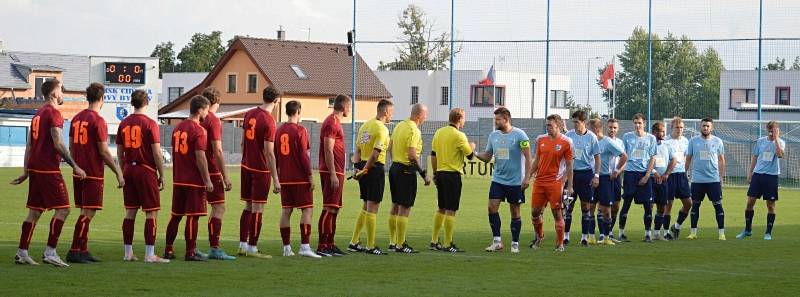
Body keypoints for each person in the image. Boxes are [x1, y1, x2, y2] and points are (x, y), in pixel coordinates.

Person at [12, 79, 87, 267]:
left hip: (36, 167)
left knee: (35, 212)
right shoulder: (54, 113)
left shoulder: (38, 114)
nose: (63, 93)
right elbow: (58, 143)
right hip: (48, 168)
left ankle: (22, 252)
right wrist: (75, 166)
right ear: (54, 93)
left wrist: (26, 170)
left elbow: (29, 144)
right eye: (61, 89)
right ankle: (51, 252)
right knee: (63, 209)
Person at [65, 83, 125, 264]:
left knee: (86, 210)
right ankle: (75, 250)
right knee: (88, 212)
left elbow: (70, 146)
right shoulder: (98, 121)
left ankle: (83, 250)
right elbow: (104, 151)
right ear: (102, 98)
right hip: (92, 172)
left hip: (79, 171)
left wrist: (76, 165)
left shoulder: (76, 119)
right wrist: (118, 172)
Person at [117, 90, 169, 263]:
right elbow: (156, 152)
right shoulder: (150, 123)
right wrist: (162, 174)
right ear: (146, 103)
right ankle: (149, 254)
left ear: (132, 103)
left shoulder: (123, 123)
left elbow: (119, 151)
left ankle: (128, 252)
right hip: (145, 170)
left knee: (130, 212)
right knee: (151, 213)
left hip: (128, 170)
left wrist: (123, 171)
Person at [476, 107, 533, 254]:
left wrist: (527, 177)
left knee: (515, 212)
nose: (495, 122)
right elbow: (488, 156)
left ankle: (515, 243)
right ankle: (497, 241)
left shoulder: (520, 135)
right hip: (498, 179)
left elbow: (528, 157)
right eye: (495, 119)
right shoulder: (493, 136)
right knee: (491, 207)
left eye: (498, 119)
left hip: (515, 182)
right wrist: (474, 153)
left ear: (506, 119)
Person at [165, 95, 214, 261]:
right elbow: (200, 157)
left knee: (176, 216)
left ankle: (168, 249)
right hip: (193, 180)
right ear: (200, 110)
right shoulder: (199, 130)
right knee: (193, 216)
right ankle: (190, 251)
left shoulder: (178, 128)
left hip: (178, 178)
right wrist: (207, 180)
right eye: (206, 109)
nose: (208, 113)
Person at [237, 87, 281, 259]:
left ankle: (242, 245)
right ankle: (252, 248)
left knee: (248, 206)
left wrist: (246, 159)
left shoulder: (249, 114)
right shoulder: (269, 121)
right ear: (276, 101)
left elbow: (242, 143)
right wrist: (276, 179)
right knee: (258, 208)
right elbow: (269, 152)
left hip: (245, 165)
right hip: (260, 169)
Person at [274, 101, 320, 258]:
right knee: (307, 209)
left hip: (284, 178)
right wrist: (310, 176)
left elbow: (276, 156)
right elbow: (303, 155)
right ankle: (305, 246)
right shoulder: (300, 130)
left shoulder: (279, 131)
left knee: (286, 211)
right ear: (298, 111)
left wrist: (277, 177)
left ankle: (286, 248)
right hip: (299, 178)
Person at [348, 99, 394, 255]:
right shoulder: (382, 129)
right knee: (373, 207)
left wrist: (357, 169)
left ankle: (354, 241)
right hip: (373, 169)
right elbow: (375, 154)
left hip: (362, 167)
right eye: (391, 112)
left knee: (365, 206)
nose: (391, 115)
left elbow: (357, 151)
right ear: (385, 112)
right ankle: (370, 245)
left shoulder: (364, 126)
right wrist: (366, 169)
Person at [430, 108, 476, 252]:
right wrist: (472, 146)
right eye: (464, 118)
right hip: (452, 175)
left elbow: (433, 155)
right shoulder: (459, 135)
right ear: (459, 118)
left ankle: (434, 241)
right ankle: (447, 243)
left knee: (441, 208)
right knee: (451, 210)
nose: (465, 121)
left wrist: (435, 174)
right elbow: (470, 155)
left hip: (441, 173)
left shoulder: (439, 132)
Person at [388, 103, 431, 253]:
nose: (426, 117)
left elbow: (390, 147)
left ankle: (393, 242)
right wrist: (423, 174)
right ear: (419, 115)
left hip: (394, 168)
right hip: (406, 170)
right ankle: (401, 244)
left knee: (395, 205)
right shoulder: (414, 130)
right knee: (405, 207)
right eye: (426, 114)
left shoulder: (400, 126)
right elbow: (412, 155)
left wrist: (395, 162)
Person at [198, 87, 235, 260]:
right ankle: (214, 247)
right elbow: (218, 150)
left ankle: (171, 248)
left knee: (188, 211)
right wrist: (226, 175)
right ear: (216, 102)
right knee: (219, 207)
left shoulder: (194, 118)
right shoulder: (213, 120)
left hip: (193, 169)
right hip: (211, 169)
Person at [529, 114, 574, 252]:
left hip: (555, 183)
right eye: (546, 125)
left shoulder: (567, 142)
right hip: (539, 182)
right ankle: (540, 236)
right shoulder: (540, 139)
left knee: (557, 213)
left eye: (550, 125)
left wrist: (570, 186)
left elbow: (569, 166)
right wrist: (528, 176)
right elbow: (536, 160)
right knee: (535, 212)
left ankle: (559, 244)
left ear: (558, 126)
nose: (547, 127)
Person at [737, 121, 785, 240]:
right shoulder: (761, 141)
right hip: (758, 175)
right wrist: (750, 172)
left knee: (770, 205)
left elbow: (780, 155)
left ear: (777, 130)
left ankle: (768, 233)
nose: (771, 132)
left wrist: (777, 139)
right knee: (750, 202)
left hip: (771, 176)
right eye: (769, 130)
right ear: (767, 130)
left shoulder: (781, 142)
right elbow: (755, 156)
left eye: (773, 130)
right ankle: (748, 230)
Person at [316, 95, 351, 257]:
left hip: (337, 171)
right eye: (349, 107)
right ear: (344, 108)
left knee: (335, 209)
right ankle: (322, 245)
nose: (350, 110)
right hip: (332, 172)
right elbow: (328, 149)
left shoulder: (335, 122)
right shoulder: (331, 122)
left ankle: (330, 243)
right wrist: (332, 174)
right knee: (329, 207)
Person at [685, 117, 726, 240]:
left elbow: (721, 160)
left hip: (713, 180)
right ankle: (693, 233)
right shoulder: (693, 141)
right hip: (697, 180)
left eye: (708, 126)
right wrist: (684, 173)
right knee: (695, 205)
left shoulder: (718, 141)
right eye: (703, 126)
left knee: (718, 206)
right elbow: (688, 158)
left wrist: (721, 177)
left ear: (712, 128)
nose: (705, 128)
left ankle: (721, 233)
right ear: (700, 127)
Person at [619, 113, 657, 242]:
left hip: (644, 175)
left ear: (644, 124)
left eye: (639, 123)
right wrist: (622, 173)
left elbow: (653, 157)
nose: (637, 125)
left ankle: (647, 234)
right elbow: (623, 156)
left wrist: (647, 175)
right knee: (626, 204)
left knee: (648, 205)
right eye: (635, 123)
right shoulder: (627, 137)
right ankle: (621, 233)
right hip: (630, 174)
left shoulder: (651, 139)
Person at [563, 111, 600, 246]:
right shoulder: (569, 136)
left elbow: (597, 158)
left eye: (577, 122)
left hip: (586, 175)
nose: (575, 125)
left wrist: (596, 175)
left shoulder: (592, 137)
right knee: (568, 206)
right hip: (571, 175)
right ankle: (565, 236)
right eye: (573, 122)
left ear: (584, 122)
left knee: (586, 207)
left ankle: (584, 237)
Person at [588, 118, 626, 245]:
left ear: (596, 129)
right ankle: (592, 236)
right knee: (590, 207)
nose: (587, 131)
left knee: (606, 209)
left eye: (589, 129)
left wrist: (616, 171)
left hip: (605, 179)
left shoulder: (608, 142)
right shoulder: (590, 141)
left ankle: (606, 237)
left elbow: (624, 156)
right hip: (592, 177)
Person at [665, 117, 693, 240]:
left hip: (681, 175)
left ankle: (676, 226)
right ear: (672, 128)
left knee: (688, 203)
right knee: (668, 205)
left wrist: (685, 171)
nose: (680, 129)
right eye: (677, 127)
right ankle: (666, 233)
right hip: (669, 176)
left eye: (681, 127)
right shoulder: (665, 141)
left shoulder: (686, 141)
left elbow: (687, 157)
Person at [651, 122, 676, 241]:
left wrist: (667, 174)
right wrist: (654, 172)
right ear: (654, 132)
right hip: (651, 179)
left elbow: (674, 160)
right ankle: (647, 232)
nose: (663, 133)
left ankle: (656, 233)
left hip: (663, 181)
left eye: (663, 131)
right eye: (661, 131)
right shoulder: (650, 144)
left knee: (662, 207)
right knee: (649, 206)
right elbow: (645, 160)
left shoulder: (667, 145)